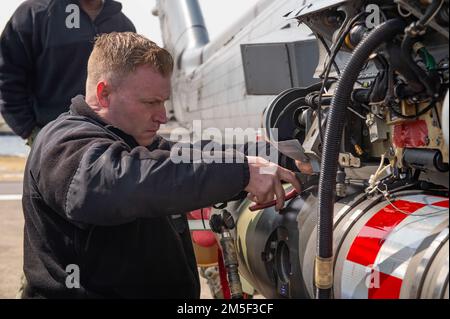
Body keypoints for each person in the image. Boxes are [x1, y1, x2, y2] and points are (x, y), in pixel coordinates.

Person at [21, 32, 302, 298]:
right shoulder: (64, 141)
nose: (162, 116)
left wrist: (288, 155)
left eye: (164, 102)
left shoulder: (136, 143)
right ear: (104, 94)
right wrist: (241, 173)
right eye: (150, 102)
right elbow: (122, 183)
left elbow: (199, 155)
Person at [0, 0, 135, 144]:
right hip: (51, 138)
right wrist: (31, 131)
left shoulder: (123, 25)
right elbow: (6, 77)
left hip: (112, 141)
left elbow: (134, 86)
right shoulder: (34, 13)